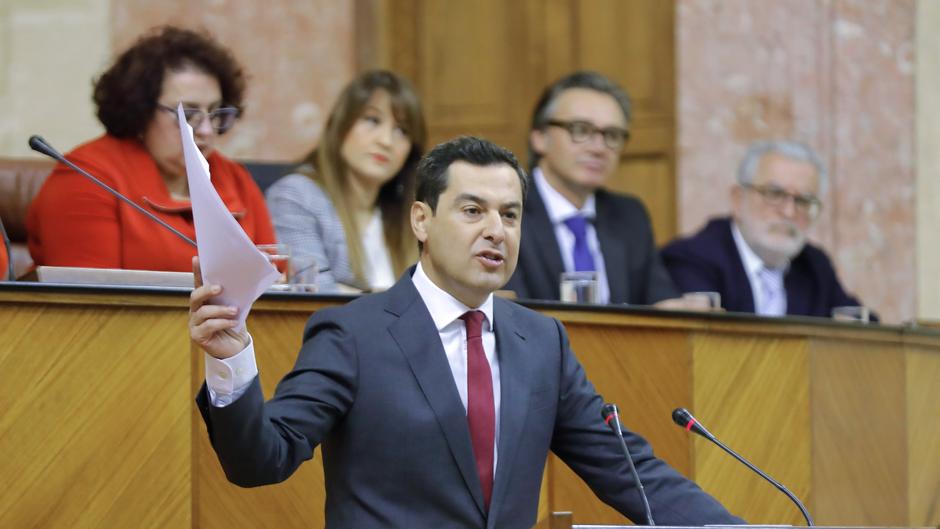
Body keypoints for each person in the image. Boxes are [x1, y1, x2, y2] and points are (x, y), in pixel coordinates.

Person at [190, 136, 743, 528]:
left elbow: (630, 473)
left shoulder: (542, 343)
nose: (495, 232)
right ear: (422, 221)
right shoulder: (354, 332)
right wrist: (231, 364)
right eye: (473, 210)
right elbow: (261, 461)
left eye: (510, 214)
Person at [27, 26, 275, 272]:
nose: (207, 130)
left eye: (215, 113)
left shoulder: (234, 179)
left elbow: (278, 281)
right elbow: (90, 304)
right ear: (141, 111)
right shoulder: (86, 176)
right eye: (188, 115)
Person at [505, 71, 685, 306]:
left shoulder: (629, 216)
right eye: (580, 130)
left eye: (611, 135)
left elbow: (660, 303)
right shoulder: (507, 211)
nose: (599, 148)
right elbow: (510, 315)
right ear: (540, 137)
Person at [661, 140, 869, 317]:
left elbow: (863, 323)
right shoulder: (693, 259)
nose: (789, 212)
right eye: (774, 194)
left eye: (803, 201)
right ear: (737, 200)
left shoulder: (814, 265)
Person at [265, 70, 426, 291]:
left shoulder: (413, 213)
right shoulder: (296, 196)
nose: (386, 141)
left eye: (401, 130)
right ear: (342, 126)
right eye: (372, 120)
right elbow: (312, 292)